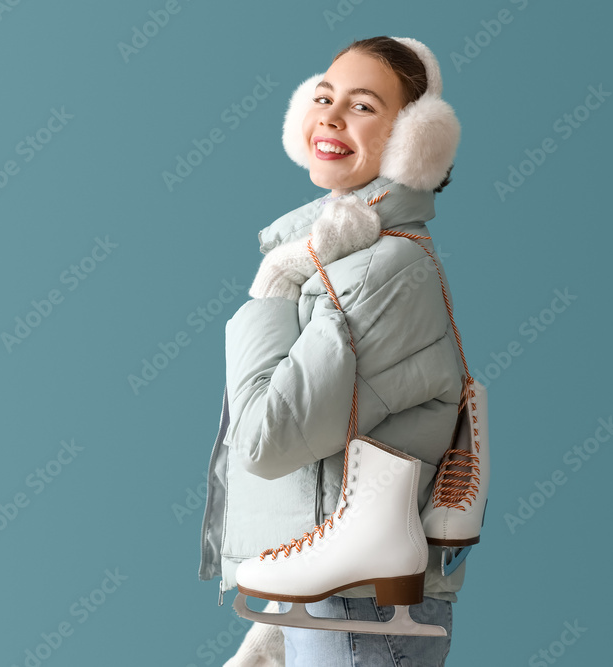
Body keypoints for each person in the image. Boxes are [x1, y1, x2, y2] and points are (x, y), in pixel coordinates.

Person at [199, 36, 465, 666]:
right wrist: (283, 629)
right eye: (324, 96)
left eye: (364, 105)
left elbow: (266, 438)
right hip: (340, 602)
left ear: (413, 140)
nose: (332, 116)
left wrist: (273, 286)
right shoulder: (348, 260)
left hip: (361, 604)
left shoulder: (380, 269)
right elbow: (329, 454)